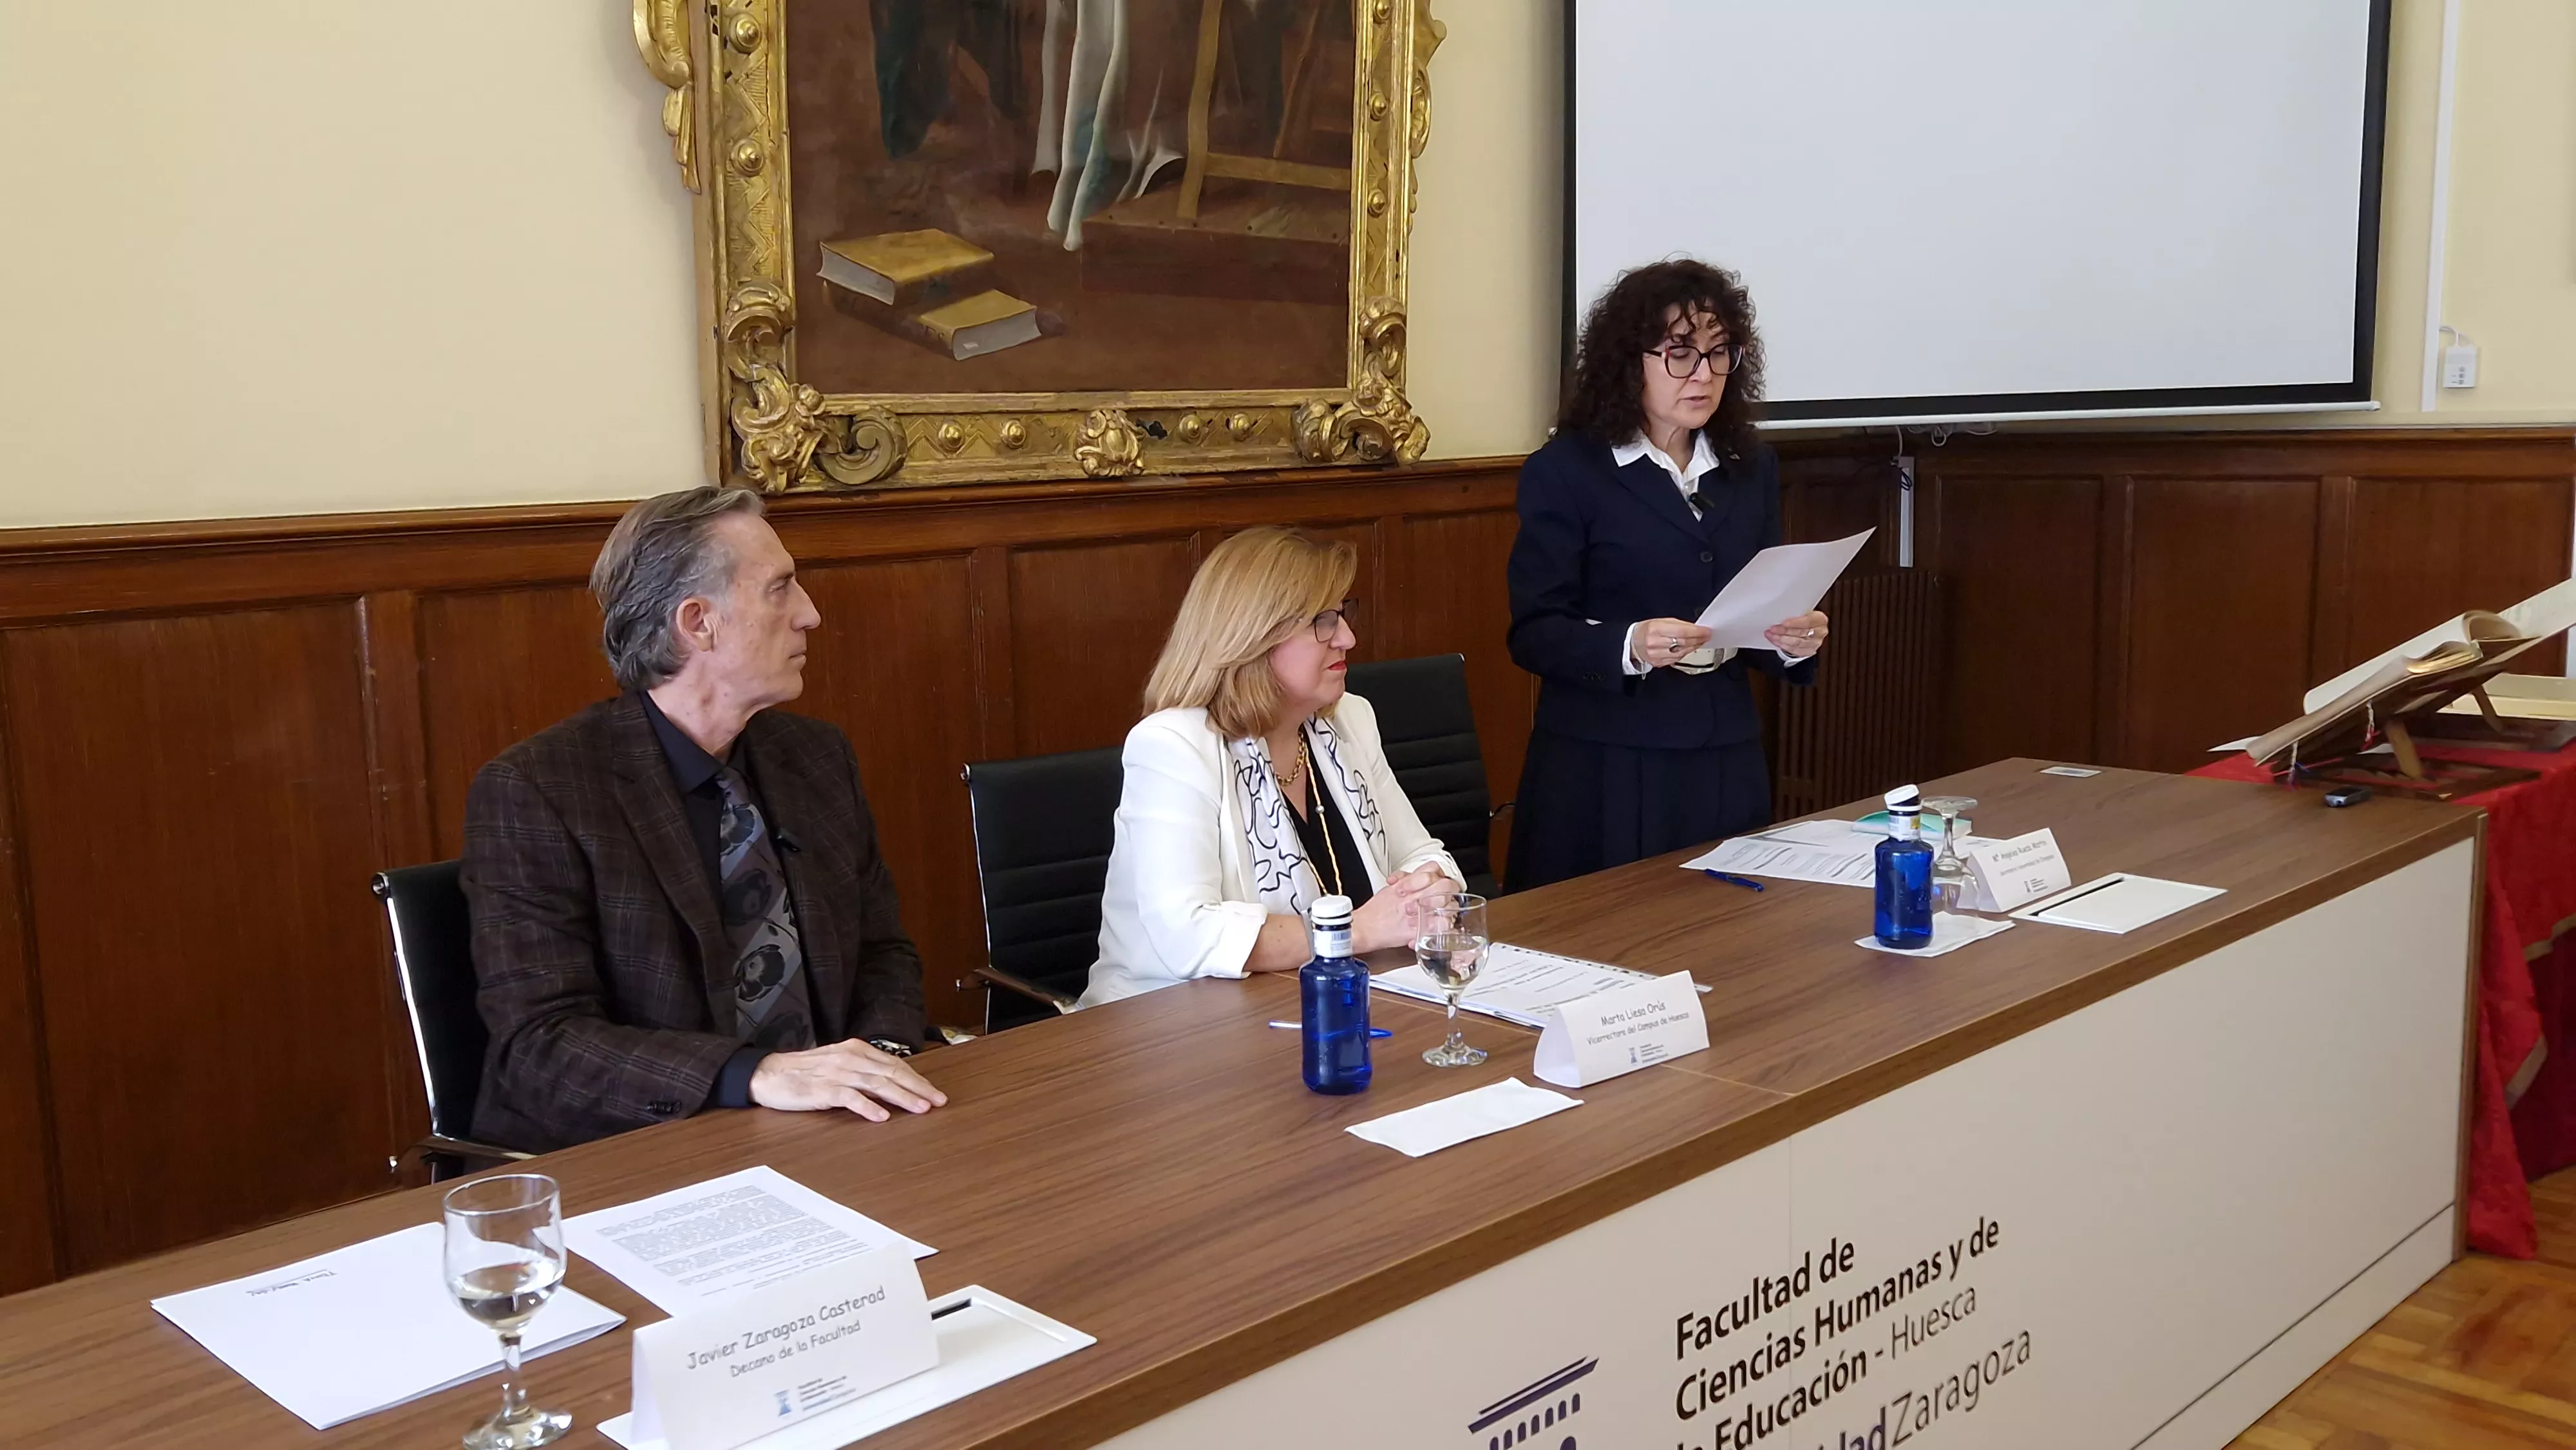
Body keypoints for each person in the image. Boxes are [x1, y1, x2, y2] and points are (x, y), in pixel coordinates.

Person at [461, 486, 946, 1152]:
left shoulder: (814, 756)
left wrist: (878, 1061)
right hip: (640, 1152)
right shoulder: (538, 790)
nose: (811, 614)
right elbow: (541, 1043)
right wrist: (754, 1073)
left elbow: (883, 949)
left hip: (831, 1133)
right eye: (780, 589)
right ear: (698, 622)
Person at [1504, 259, 1829, 892]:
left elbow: (1762, 594)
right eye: (1680, 355)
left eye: (1718, 354)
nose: (1703, 374)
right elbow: (1535, 631)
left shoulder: (1748, 467)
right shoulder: (1566, 471)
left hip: (1725, 748)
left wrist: (1794, 639)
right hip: (1609, 758)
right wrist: (1628, 644)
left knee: (1727, 937)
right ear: (1630, 361)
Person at [1080, 527, 1463, 1008]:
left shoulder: (1350, 721)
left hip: (1323, 1003)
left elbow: (1423, 853)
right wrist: (1358, 929)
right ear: (1255, 637)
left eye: (1344, 615)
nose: (1348, 637)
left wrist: (1428, 893)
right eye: (1324, 621)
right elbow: (1189, 935)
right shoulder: (1173, 745)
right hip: (1166, 1027)